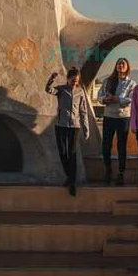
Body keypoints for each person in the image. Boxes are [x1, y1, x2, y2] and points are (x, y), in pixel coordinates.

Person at [46, 68, 90, 196]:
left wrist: (86, 128)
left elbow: (83, 111)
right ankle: (70, 177)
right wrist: (51, 80)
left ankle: (72, 182)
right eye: (72, 80)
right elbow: (49, 90)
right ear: (68, 79)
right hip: (61, 125)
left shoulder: (80, 92)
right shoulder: (61, 89)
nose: (74, 82)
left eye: (76, 81)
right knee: (63, 152)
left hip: (74, 126)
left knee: (72, 153)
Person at [97, 58, 136, 185]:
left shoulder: (131, 83)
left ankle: (120, 172)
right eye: (118, 63)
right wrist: (105, 100)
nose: (120, 65)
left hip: (123, 118)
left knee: (121, 145)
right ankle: (108, 168)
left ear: (127, 67)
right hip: (108, 116)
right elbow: (100, 96)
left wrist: (117, 99)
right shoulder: (108, 81)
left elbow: (129, 100)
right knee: (106, 145)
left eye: (123, 63)